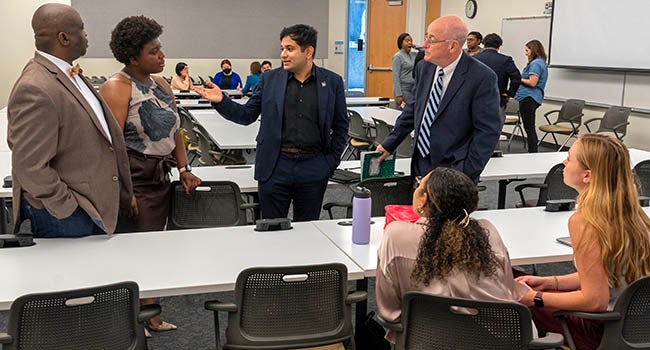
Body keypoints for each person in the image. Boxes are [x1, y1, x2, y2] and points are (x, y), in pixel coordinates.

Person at [100, 15, 202, 336]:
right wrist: (124, 190)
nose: (162, 56)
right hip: (134, 176)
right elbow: (111, 144)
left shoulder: (160, 84)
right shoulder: (117, 87)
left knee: (154, 248)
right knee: (135, 250)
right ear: (133, 57)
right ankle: (133, 321)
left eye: (161, 49)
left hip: (161, 176)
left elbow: (176, 131)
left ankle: (150, 316)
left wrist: (184, 168)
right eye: (153, 51)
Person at [193, 24, 348, 221]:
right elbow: (246, 115)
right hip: (275, 166)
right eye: (282, 48)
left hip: (314, 167)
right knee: (271, 229)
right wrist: (222, 101)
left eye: (289, 49)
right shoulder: (269, 79)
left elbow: (341, 126)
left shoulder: (332, 82)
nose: (283, 54)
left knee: (309, 232)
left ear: (308, 51)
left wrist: (329, 163)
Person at [7, 3, 133, 237]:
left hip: (92, 207)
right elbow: (29, 166)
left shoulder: (68, 74)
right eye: (81, 29)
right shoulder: (36, 87)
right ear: (64, 38)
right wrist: (68, 207)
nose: (86, 35)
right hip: (68, 217)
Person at [517, 134, 650, 350]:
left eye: (569, 159)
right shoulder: (635, 215)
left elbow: (594, 300)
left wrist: (536, 298)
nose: (563, 163)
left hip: (602, 328)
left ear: (587, 176)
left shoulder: (585, 222)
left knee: (515, 304)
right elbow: (604, 275)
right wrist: (550, 283)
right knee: (529, 288)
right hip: (635, 325)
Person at [376, 167, 528, 342]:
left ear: (423, 199)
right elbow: (508, 289)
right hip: (500, 339)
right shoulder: (488, 232)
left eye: (418, 185)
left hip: (426, 340)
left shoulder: (396, 236)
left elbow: (389, 312)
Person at [376, 15, 501, 183]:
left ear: (452, 46)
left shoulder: (482, 77)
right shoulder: (424, 67)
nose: (424, 44)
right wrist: (390, 143)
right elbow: (413, 109)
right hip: (421, 164)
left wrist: (465, 174)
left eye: (432, 40)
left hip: (455, 170)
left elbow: (488, 132)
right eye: (426, 37)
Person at [514, 40, 548, 153]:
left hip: (529, 98)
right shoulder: (540, 62)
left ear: (533, 50)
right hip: (532, 98)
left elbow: (532, 82)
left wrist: (518, 78)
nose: (526, 53)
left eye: (527, 50)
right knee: (529, 127)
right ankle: (532, 151)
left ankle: (532, 152)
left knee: (529, 127)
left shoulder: (536, 64)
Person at [473, 33, 521, 109]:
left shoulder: (474, 59)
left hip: (475, 98)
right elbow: (517, 77)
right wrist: (510, 93)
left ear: (484, 44)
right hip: (498, 99)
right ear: (499, 45)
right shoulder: (506, 60)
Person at [392, 33, 417, 108]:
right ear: (401, 43)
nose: (410, 42)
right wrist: (398, 94)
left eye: (411, 41)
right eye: (407, 41)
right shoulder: (398, 56)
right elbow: (395, 77)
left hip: (412, 88)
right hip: (403, 89)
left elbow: (424, 50)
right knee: (405, 113)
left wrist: (415, 46)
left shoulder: (413, 55)